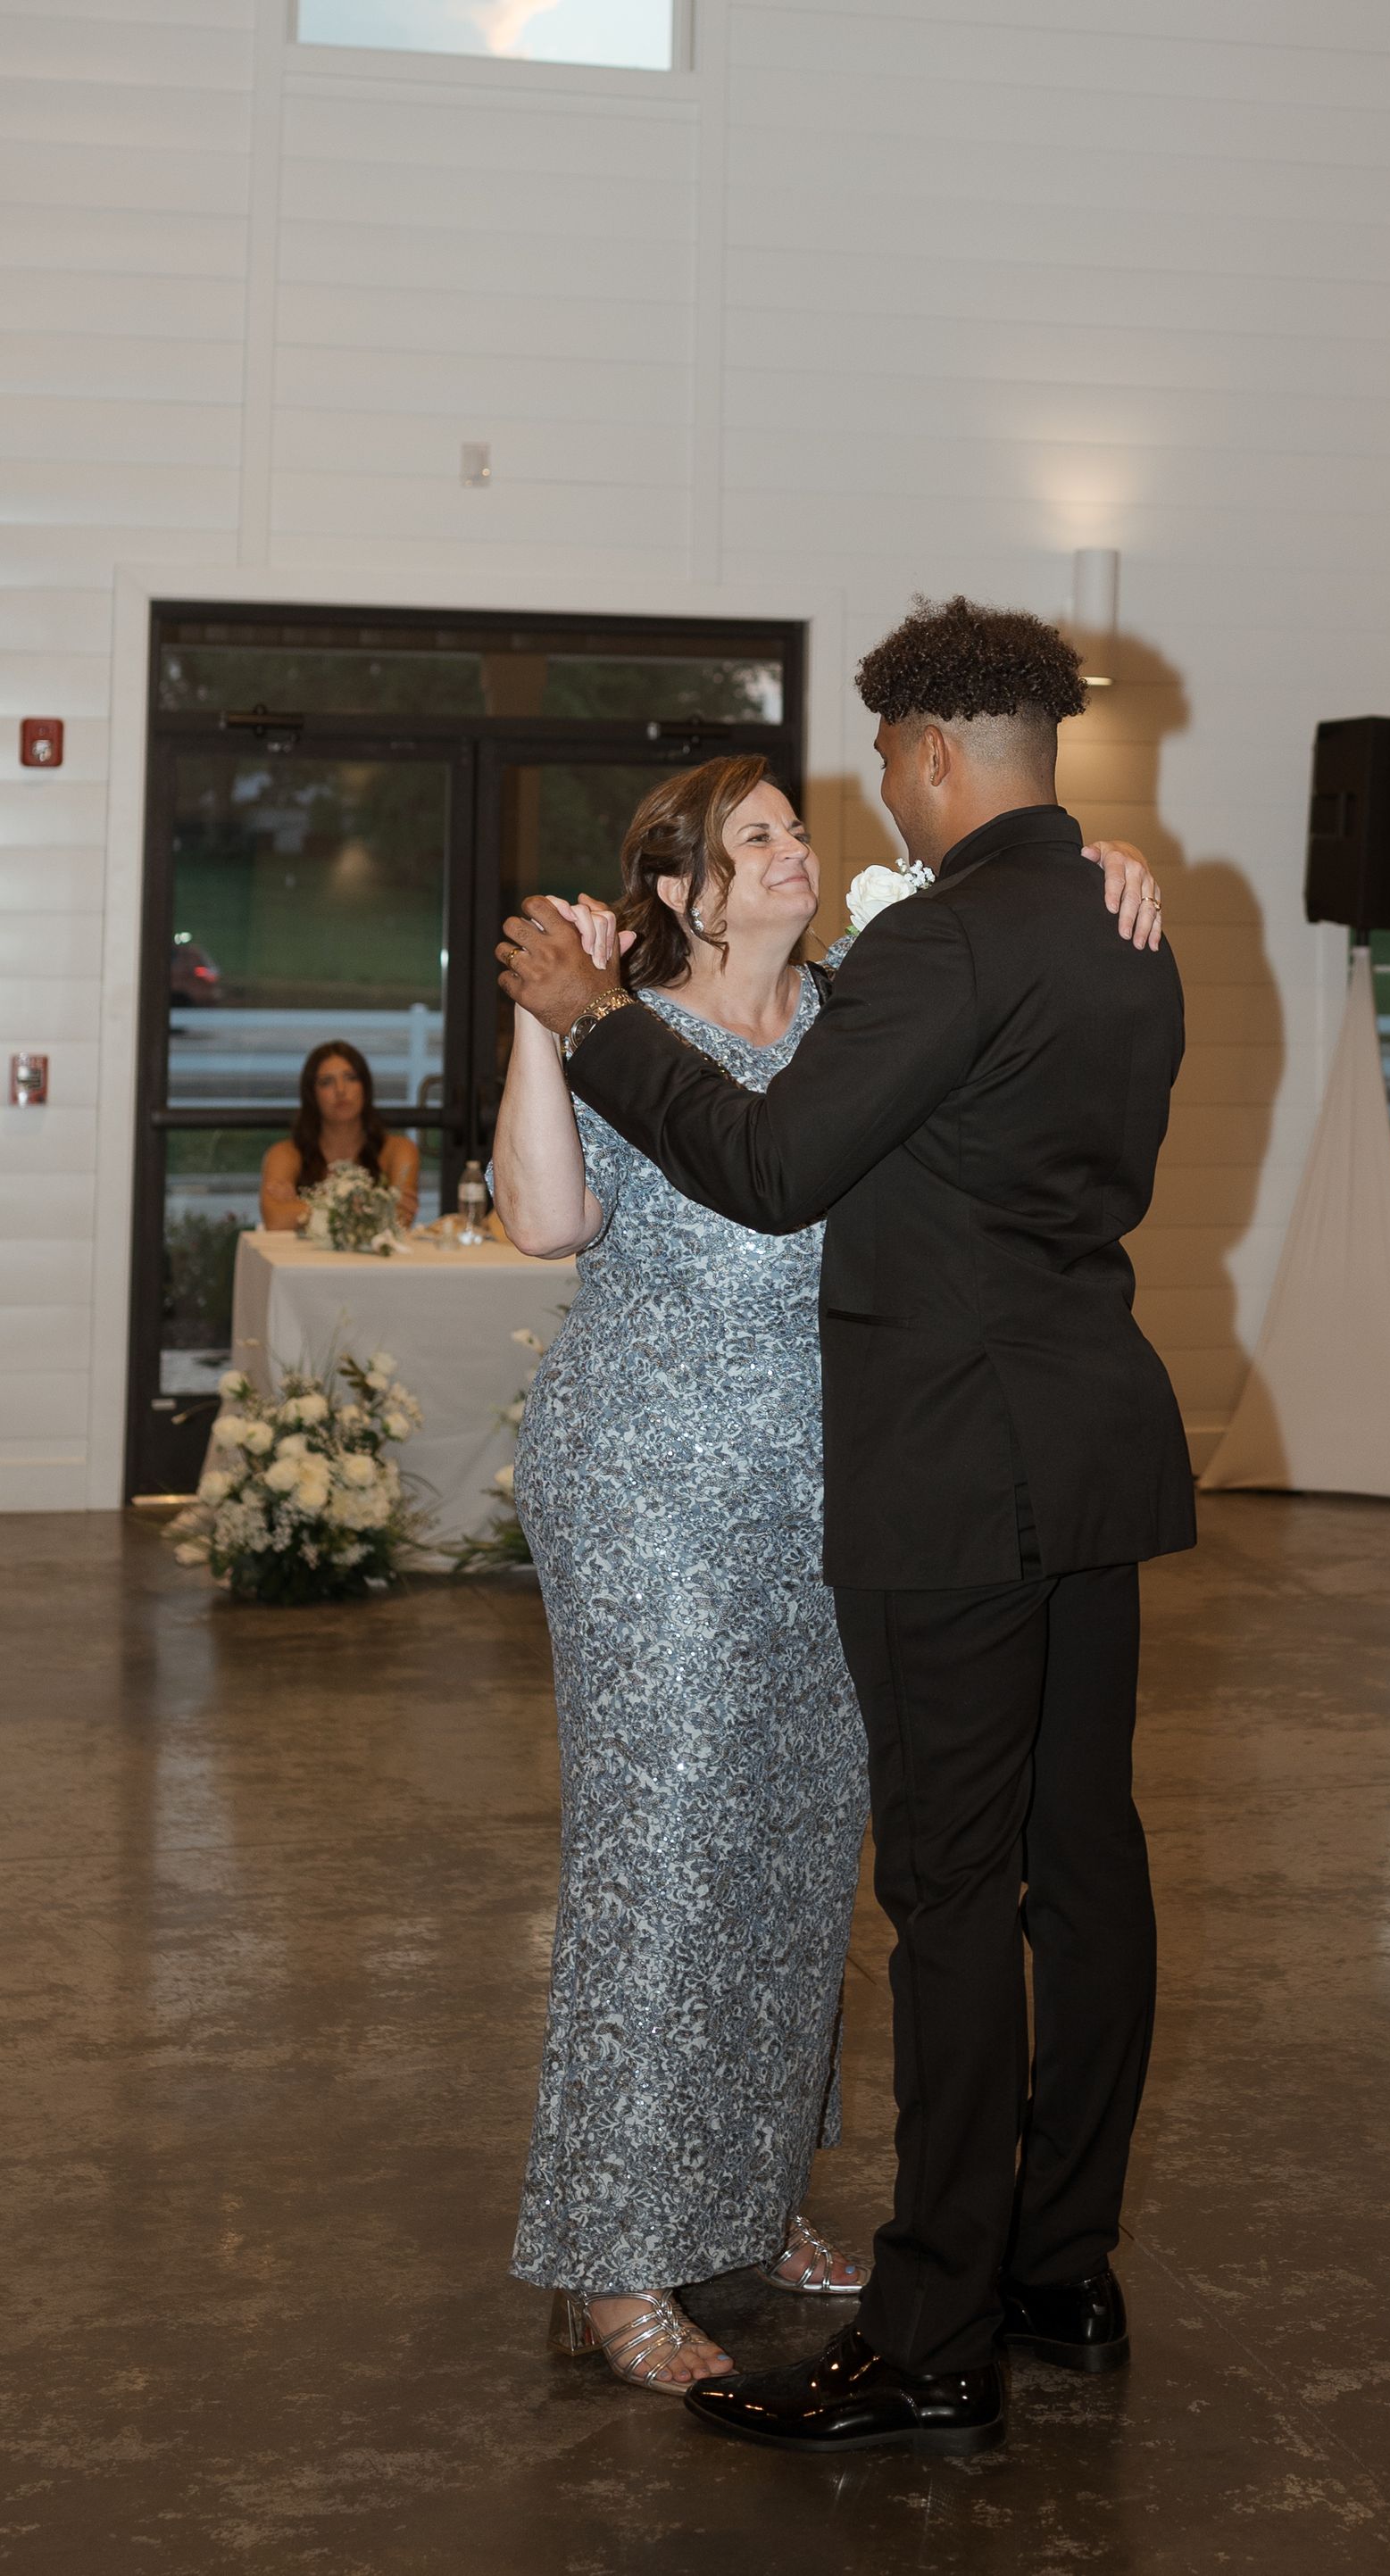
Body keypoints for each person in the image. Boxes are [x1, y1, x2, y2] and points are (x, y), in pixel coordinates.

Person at [496, 595, 1195, 2457]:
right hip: (1083, 1447)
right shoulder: (1122, 927)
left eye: (883, 763)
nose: (865, 804)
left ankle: (938, 2327)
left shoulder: (935, 947)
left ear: (937, 753)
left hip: (948, 1470)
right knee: (1086, 1869)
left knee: (953, 1896)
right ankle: (1062, 2268)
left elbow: (778, 1161)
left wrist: (594, 1022)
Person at [260, 1042, 420, 1232]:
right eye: (327, 1082)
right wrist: (369, 1206)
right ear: (312, 1094)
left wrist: (304, 1208)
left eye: (351, 1078)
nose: (341, 1090)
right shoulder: (285, 1153)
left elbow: (400, 1218)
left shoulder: (399, 1149)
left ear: (365, 1087)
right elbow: (276, 1221)